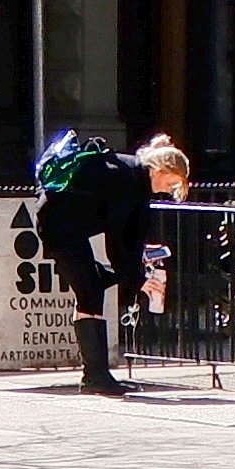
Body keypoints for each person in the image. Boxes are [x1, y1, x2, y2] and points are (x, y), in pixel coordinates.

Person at [32, 129, 184, 397]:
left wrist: (136, 271)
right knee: (90, 293)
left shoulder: (132, 175)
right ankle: (95, 377)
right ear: (160, 169)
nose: (169, 189)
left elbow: (128, 236)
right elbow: (118, 240)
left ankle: (96, 375)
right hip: (58, 227)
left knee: (93, 287)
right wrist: (139, 280)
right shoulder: (128, 181)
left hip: (63, 224)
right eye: (171, 182)